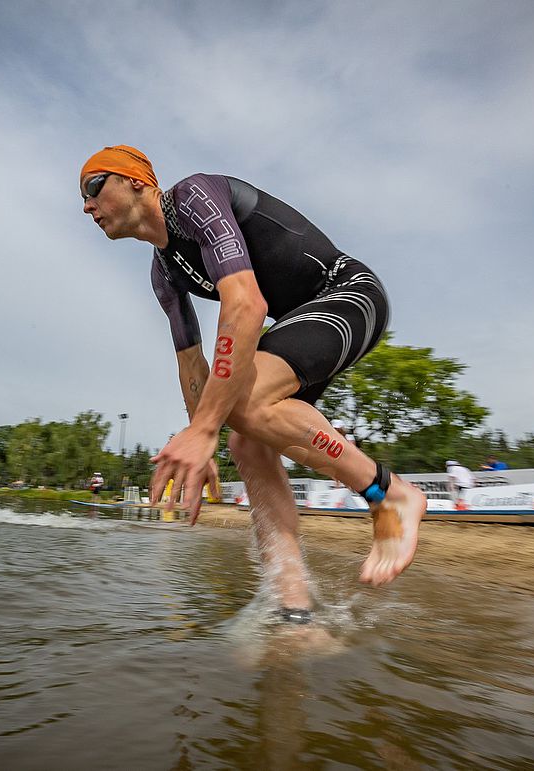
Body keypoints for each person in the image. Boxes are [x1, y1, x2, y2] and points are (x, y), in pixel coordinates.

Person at [79, 145, 428, 621]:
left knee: (241, 402)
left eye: (93, 187)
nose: (86, 206)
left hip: (347, 293)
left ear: (136, 181)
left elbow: (245, 304)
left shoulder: (194, 198)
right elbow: (191, 366)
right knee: (246, 443)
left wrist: (203, 430)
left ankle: (389, 493)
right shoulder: (164, 273)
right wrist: (203, 441)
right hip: (298, 321)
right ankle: (293, 612)